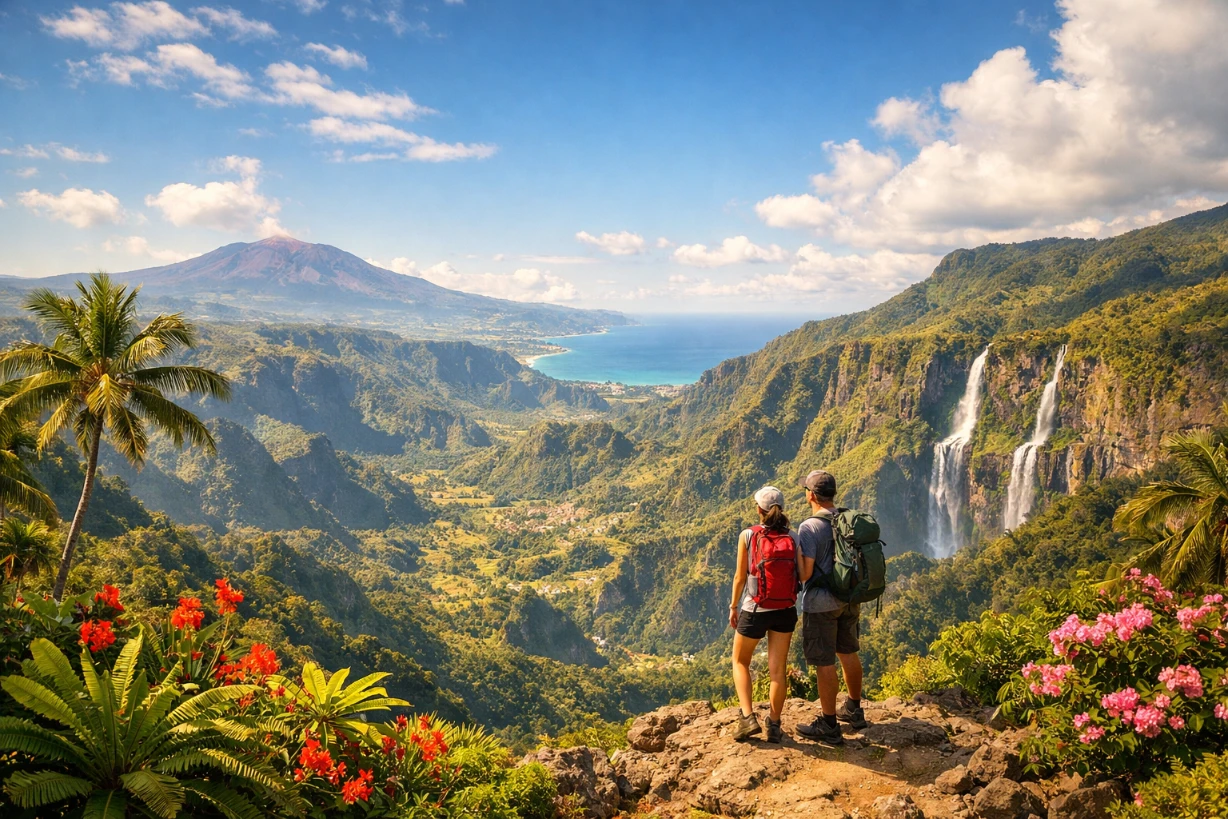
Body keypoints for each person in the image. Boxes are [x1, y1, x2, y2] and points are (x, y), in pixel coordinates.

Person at [728, 485, 807, 743]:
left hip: (755, 609)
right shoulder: (794, 537)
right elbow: (803, 575)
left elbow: (740, 576)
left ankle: (748, 718)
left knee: (740, 661)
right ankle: (774, 725)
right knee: (777, 670)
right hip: (785, 609)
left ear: (759, 510)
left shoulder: (748, 535)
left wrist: (733, 606)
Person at [794, 470, 866, 745]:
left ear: (811, 495)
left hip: (822, 604)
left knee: (824, 662)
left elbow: (805, 573)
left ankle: (828, 724)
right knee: (848, 651)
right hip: (849, 597)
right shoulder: (847, 519)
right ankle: (854, 709)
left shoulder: (809, 527)